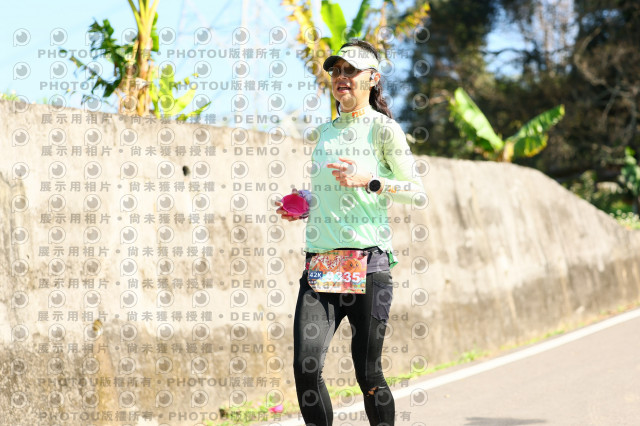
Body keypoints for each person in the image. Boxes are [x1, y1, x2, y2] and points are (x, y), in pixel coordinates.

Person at [275, 39, 425, 426]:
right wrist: (305, 203)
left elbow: (417, 192)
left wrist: (370, 180)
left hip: (367, 264)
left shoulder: (384, 130)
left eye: (351, 70)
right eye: (336, 70)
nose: (341, 77)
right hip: (323, 264)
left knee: (368, 373)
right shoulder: (324, 133)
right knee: (306, 368)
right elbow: (332, 194)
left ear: (372, 78)